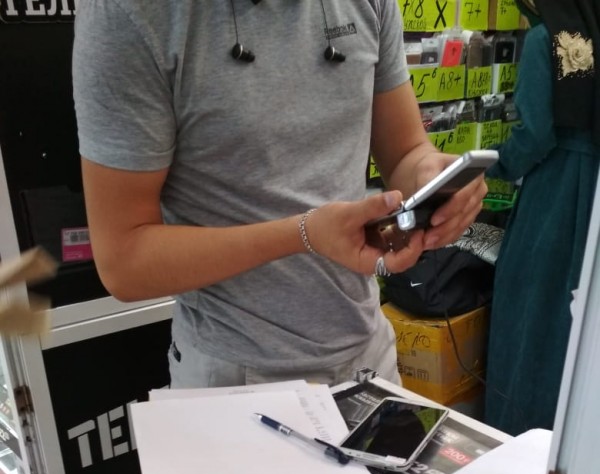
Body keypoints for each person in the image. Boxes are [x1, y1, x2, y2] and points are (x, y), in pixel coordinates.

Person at [72, 1, 487, 390]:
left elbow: (405, 151)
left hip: (368, 352)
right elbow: (123, 262)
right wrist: (303, 234)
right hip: (234, 377)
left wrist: (432, 178)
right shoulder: (130, 13)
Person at [484, 0, 600, 435]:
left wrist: (486, 165)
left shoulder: (544, 39)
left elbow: (534, 136)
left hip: (555, 193)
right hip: (593, 194)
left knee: (532, 311)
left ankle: (518, 435)